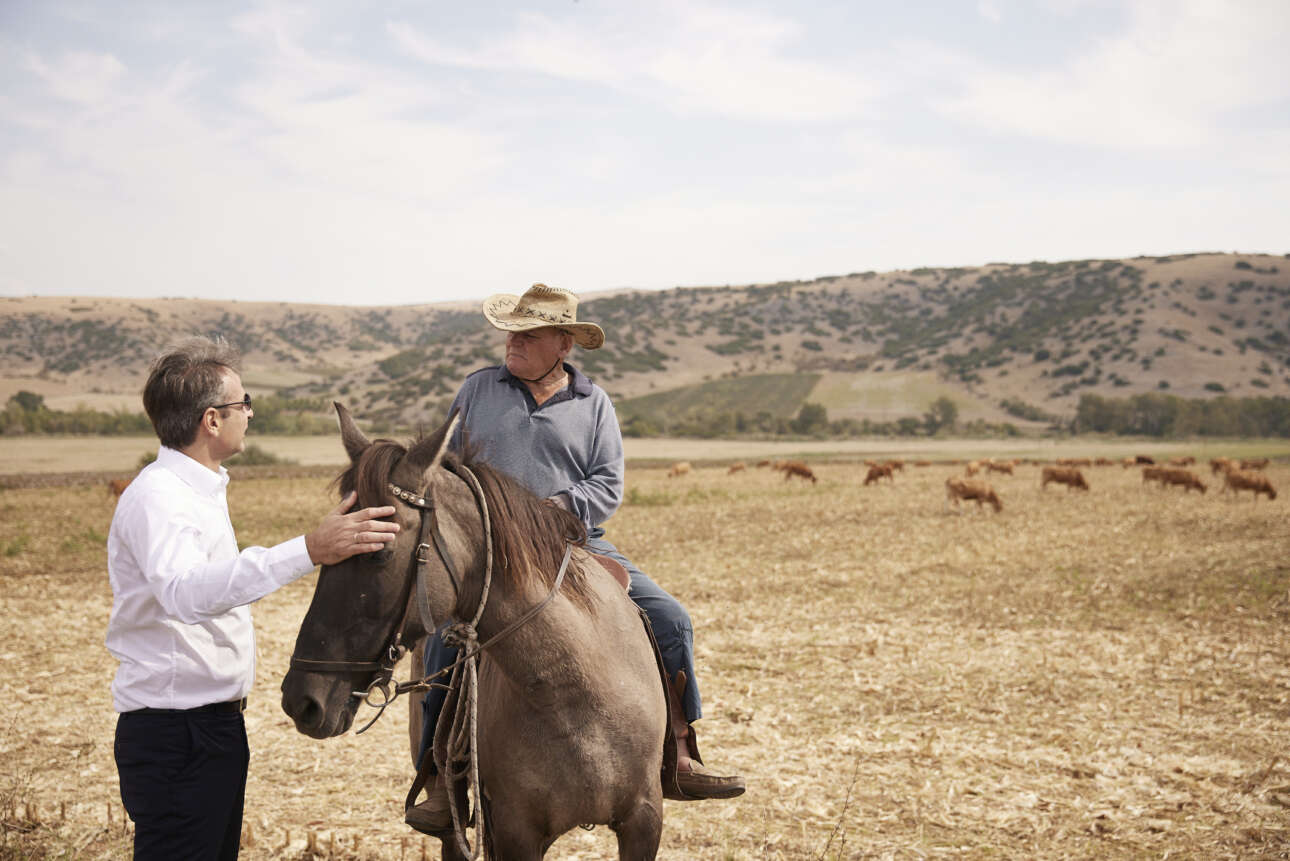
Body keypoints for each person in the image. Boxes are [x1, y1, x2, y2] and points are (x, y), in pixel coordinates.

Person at [405, 284, 745, 835]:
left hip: (574, 544)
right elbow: (447, 467)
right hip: (490, 552)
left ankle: (678, 753)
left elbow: (607, 484)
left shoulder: (594, 403)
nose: (512, 343)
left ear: (563, 344)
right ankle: (444, 781)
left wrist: (552, 511)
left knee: (671, 619)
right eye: (511, 332)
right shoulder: (479, 389)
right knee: (446, 639)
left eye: (528, 335)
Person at [106, 336, 401, 861]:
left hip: (207, 726)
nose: (251, 413)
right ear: (211, 420)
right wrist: (310, 549)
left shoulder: (198, 489)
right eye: (244, 404)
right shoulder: (160, 498)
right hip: (177, 733)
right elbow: (182, 593)